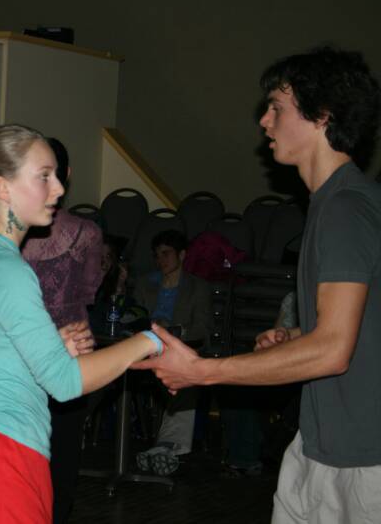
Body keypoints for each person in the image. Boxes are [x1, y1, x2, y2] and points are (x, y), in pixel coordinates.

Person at [136, 46, 381, 523]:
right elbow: (354, 329)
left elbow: (332, 351)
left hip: (358, 461)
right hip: (321, 444)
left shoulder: (345, 212)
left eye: (277, 108)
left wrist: (204, 372)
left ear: (322, 115)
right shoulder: (336, 205)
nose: (265, 122)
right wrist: (294, 337)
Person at [0, 124, 164, 523]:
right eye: (43, 176)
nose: (59, 190)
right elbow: (66, 382)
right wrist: (149, 341)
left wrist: (51, 344)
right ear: (2, 188)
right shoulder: (6, 267)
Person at [20, 137, 104, 523]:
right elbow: (90, 290)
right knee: (64, 454)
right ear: (67, 176)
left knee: (22, 449)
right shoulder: (86, 232)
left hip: (22, 351)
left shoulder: (13, 233)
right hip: (71, 352)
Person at [132, 229, 211, 475]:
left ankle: (167, 445)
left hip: (178, 349)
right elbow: (133, 317)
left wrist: (172, 331)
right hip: (144, 349)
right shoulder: (145, 284)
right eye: (157, 255)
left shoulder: (197, 287)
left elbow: (203, 328)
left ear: (182, 255)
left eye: (166, 254)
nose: (161, 260)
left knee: (186, 376)